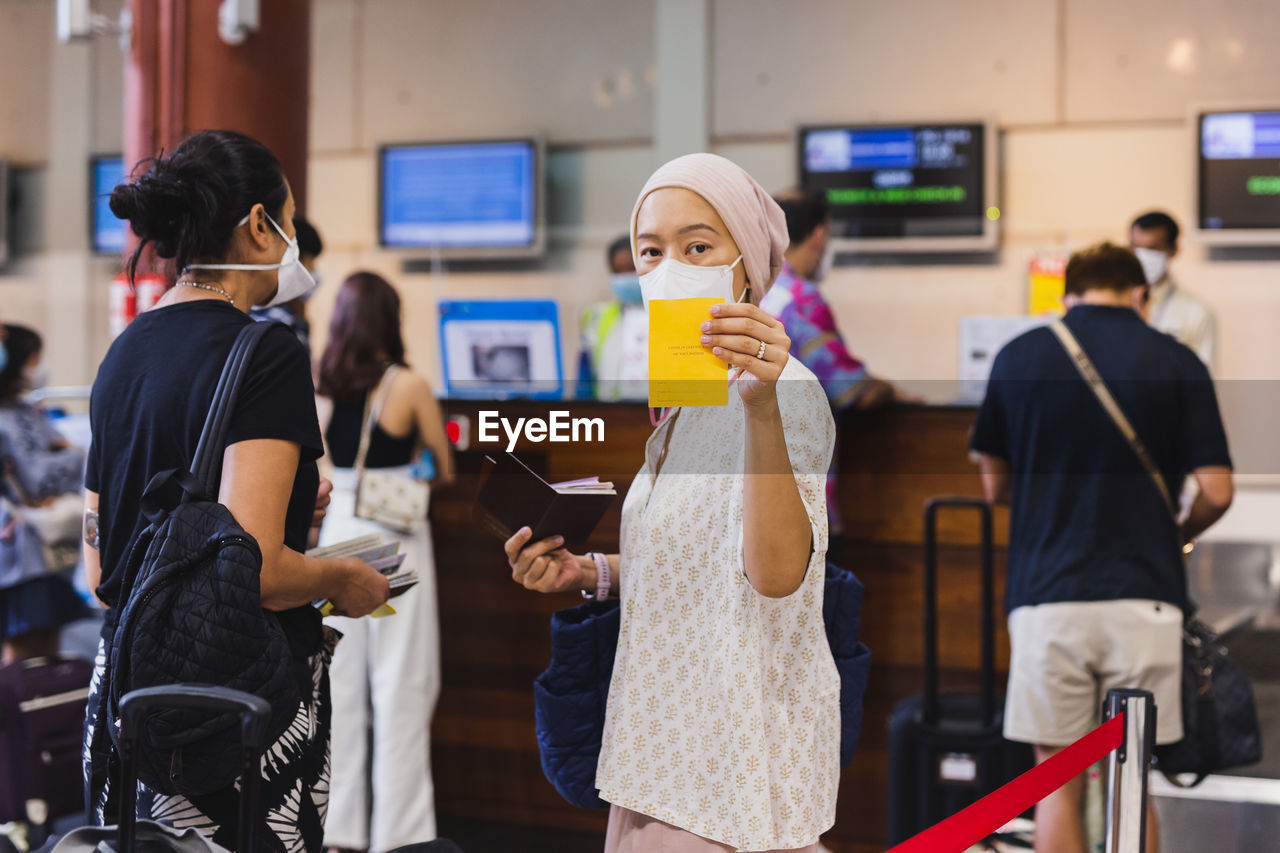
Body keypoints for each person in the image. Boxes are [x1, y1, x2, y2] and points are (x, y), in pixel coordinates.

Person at [505, 153, 839, 852]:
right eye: (650, 250)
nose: (667, 267)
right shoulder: (688, 397)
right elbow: (701, 562)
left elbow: (777, 577)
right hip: (657, 751)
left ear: (744, 263)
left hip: (730, 771)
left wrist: (763, 411)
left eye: (697, 246)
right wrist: (590, 572)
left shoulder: (786, 395)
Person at [82, 129, 390, 851]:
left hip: (129, 700)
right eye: (288, 220)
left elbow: (103, 569)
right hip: (233, 707)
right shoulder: (268, 352)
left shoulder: (123, 351)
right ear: (259, 225)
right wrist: (344, 577)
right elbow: (259, 571)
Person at [970, 242, 1234, 853]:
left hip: (1046, 595)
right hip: (1145, 595)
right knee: (1130, 780)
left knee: (1054, 781)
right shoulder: (1177, 361)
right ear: (1140, 294)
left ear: (1068, 294)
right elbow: (1217, 491)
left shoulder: (1019, 357)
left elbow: (994, 486)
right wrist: (1177, 534)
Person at [315, 271, 455, 853]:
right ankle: (400, 835)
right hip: (394, 539)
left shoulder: (322, 386)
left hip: (337, 533)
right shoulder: (409, 385)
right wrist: (417, 466)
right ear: (391, 318)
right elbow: (443, 468)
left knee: (340, 685)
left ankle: (336, 828)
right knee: (402, 684)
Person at [761, 192, 902, 556]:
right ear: (819, 236)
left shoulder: (747, 294)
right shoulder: (801, 299)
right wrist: (890, 390)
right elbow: (854, 391)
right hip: (799, 507)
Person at [0, 324, 87, 664]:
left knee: (47, 645)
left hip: (39, 553)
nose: (41, 367)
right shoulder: (10, 419)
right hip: (22, 556)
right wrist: (74, 454)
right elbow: (38, 480)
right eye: (36, 358)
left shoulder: (22, 411)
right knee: (27, 651)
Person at [1130, 211, 1215, 369]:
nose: (1141, 256)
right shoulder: (1114, 305)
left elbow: (1205, 381)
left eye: (1152, 249)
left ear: (1173, 249)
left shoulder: (1197, 312)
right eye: (1135, 247)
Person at [577, 234, 648, 401]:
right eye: (618, 270)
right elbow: (585, 375)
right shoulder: (596, 316)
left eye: (631, 269)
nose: (624, 277)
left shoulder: (668, 314)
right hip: (610, 412)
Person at [252, 215, 324, 348]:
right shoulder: (283, 325)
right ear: (293, 260)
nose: (314, 270)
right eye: (310, 262)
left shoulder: (250, 312)